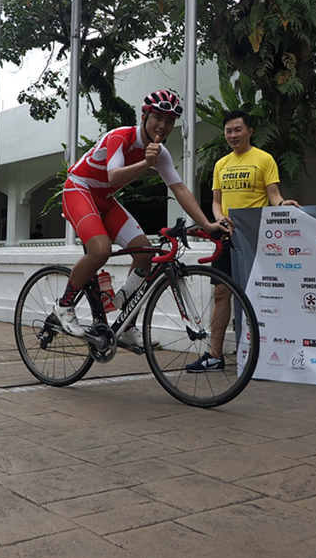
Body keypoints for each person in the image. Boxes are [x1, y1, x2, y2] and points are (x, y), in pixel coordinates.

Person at [56, 88, 225, 343]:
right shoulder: (121, 137)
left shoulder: (160, 153)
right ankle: (64, 305)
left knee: (145, 253)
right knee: (100, 250)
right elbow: (114, 176)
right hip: (79, 189)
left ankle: (125, 325)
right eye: (158, 117)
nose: (163, 126)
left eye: (170, 121)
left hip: (105, 199)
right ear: (144, 116)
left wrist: (207, 224)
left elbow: (179, 188)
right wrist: (146, 163)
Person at [193, 110, 301, 372]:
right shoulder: (220, 165)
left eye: (238, 129)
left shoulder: (264, 159)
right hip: (226, 236)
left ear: (250, 131)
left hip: (256, 238)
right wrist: (219, 220)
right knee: (221, 293)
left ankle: (265, 355)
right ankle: (214, 355)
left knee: (259, 295)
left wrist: (283, 204)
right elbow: (217, 202)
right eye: (228, 131)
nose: (232, 135)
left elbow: (273, 195)